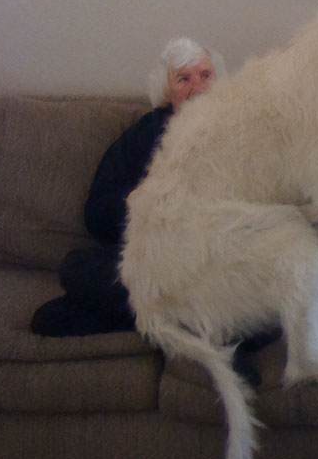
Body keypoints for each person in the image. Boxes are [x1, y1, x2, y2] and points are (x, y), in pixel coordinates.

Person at [31, 38, 222, 337]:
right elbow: (96, 215)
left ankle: (171, 314)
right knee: (75, 269)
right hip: (153, 264)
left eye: (206, 75)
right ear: (166, 90)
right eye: (184, 79)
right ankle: (186, 317)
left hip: (213, 263)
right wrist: (135, 200)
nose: (198, 88)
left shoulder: (238, 132)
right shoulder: (142, 137)